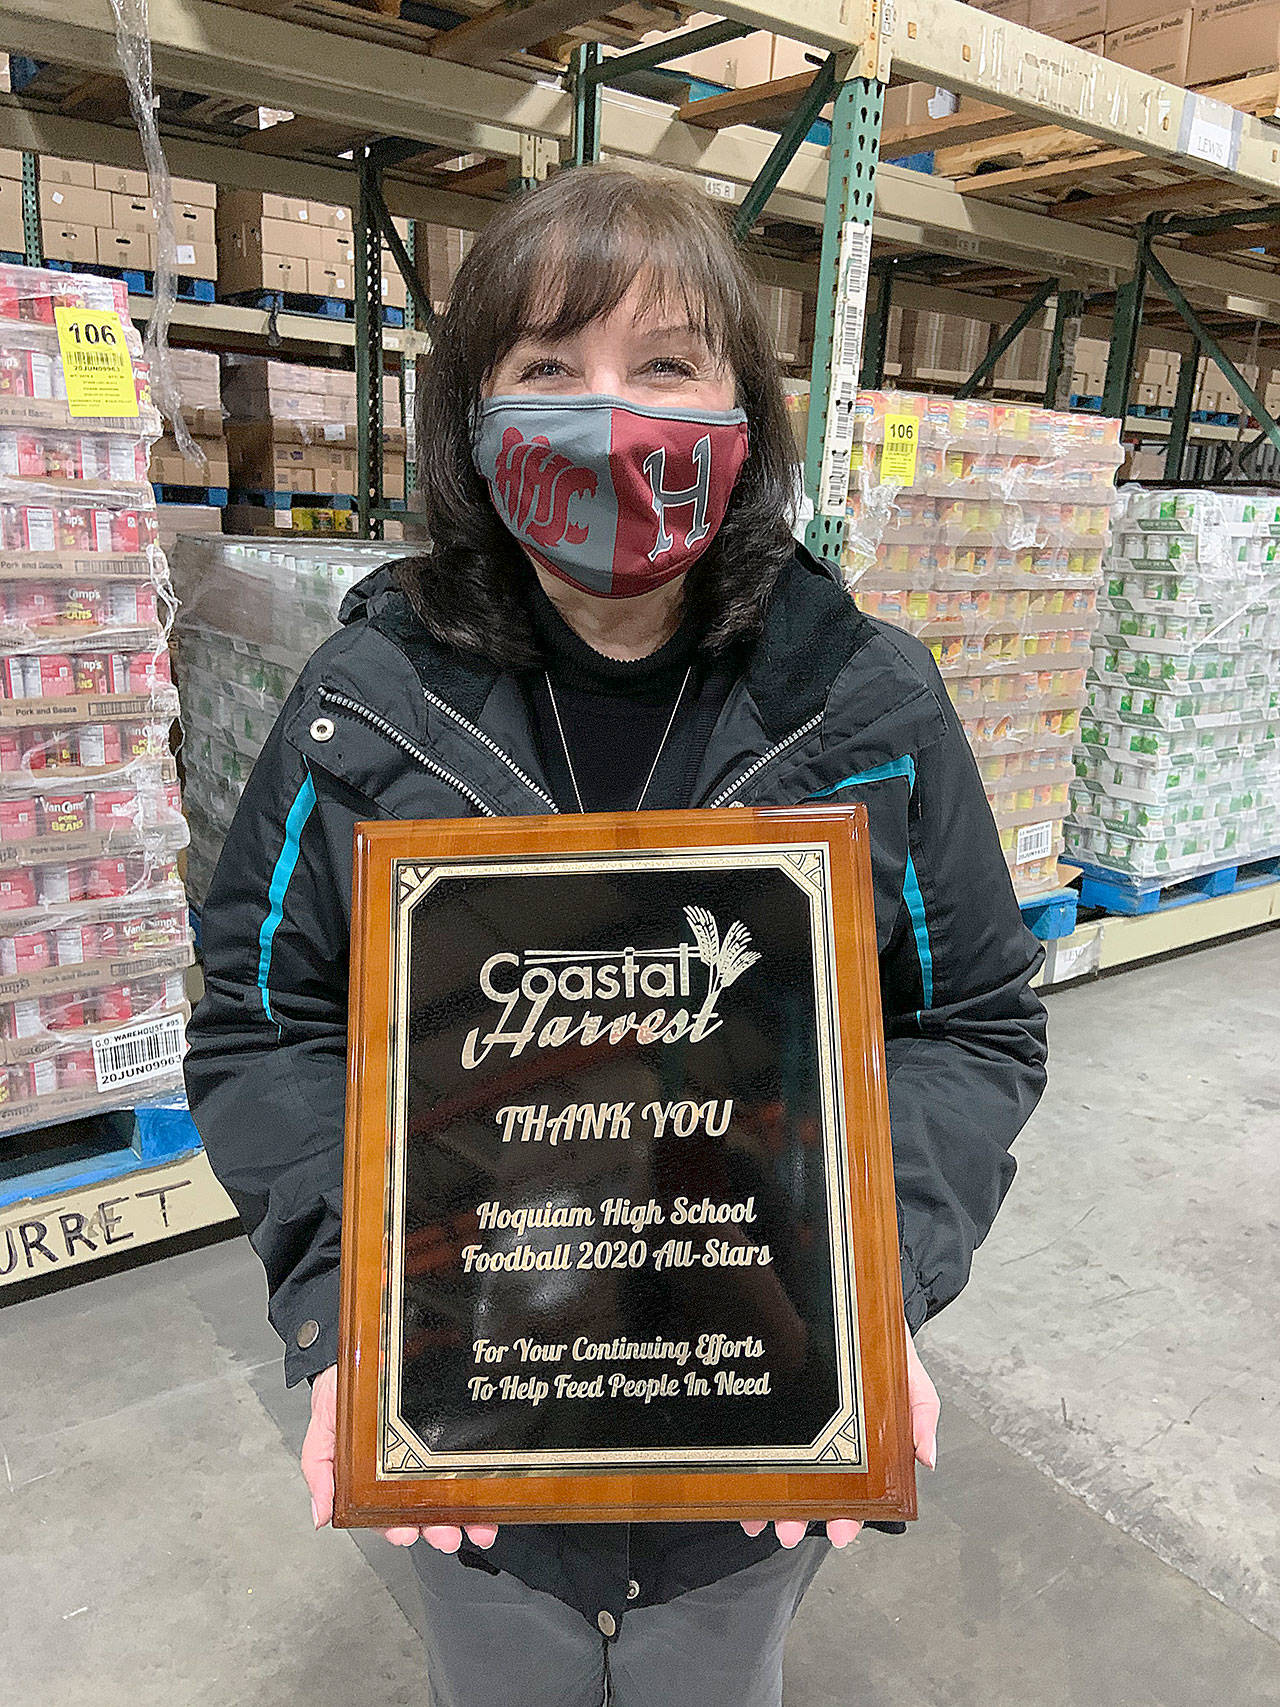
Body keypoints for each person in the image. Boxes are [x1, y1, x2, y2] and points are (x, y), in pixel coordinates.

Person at [184, 163, 1047, 1707]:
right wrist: (350, 1313)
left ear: (743, 412)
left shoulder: (867, 706)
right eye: (546, 368)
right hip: (478, 1423)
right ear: (469, 415)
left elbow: (969, 1021)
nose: (607, 416)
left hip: (751, 1408)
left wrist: (873, 1287)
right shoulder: (366, 708)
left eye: (665, 366)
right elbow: (269, 1022)